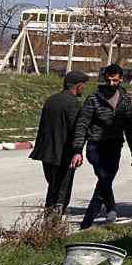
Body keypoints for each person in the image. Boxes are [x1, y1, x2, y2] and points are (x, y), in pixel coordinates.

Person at [74, 64, 132, 229]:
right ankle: (88, 221)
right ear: (105, 79)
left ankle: (110, 208)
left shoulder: (125, 100)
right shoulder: (94, 99)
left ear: (121, 79)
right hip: (95, 146)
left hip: (115, 146)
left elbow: (129, 126)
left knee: (105, 181)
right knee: (104, 179)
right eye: (109, 80)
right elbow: (82, 124)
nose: (111, 84)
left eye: (115, 80)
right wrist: (78, 150)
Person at [31, 71, 88, 213]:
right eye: (83, 86)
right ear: (78, 86)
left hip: (46, 154)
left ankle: (48, 226)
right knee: (62, 194)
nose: (83, 89)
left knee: (53, 188)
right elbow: (77, 130)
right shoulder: (73, 104)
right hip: (64, 155)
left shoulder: (51, 100)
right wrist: (78, 152)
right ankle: (53, 226)